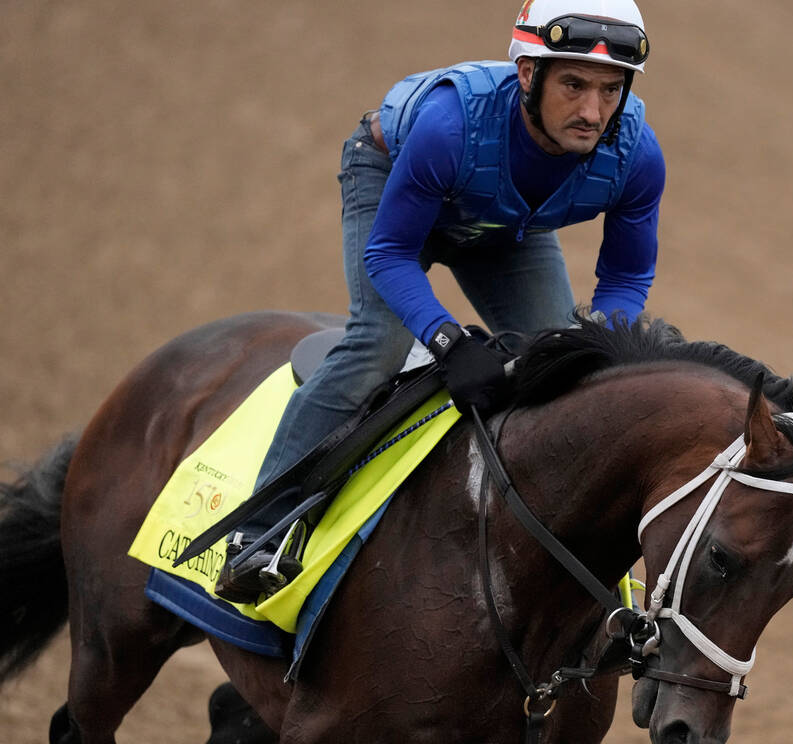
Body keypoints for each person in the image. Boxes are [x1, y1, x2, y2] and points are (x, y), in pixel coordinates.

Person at [214, 0, 665, 602]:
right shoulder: (450, 127)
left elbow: (627, 277)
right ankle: (255, 532)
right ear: (528, 75)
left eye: (611, 90)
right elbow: (390, 254)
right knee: (379, 344)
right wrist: (448, 341)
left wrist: (598, 347)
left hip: (500, 225)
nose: (591, 112)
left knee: (567, 367)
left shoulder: (636, 153)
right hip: (393, 181)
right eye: (574, 84)